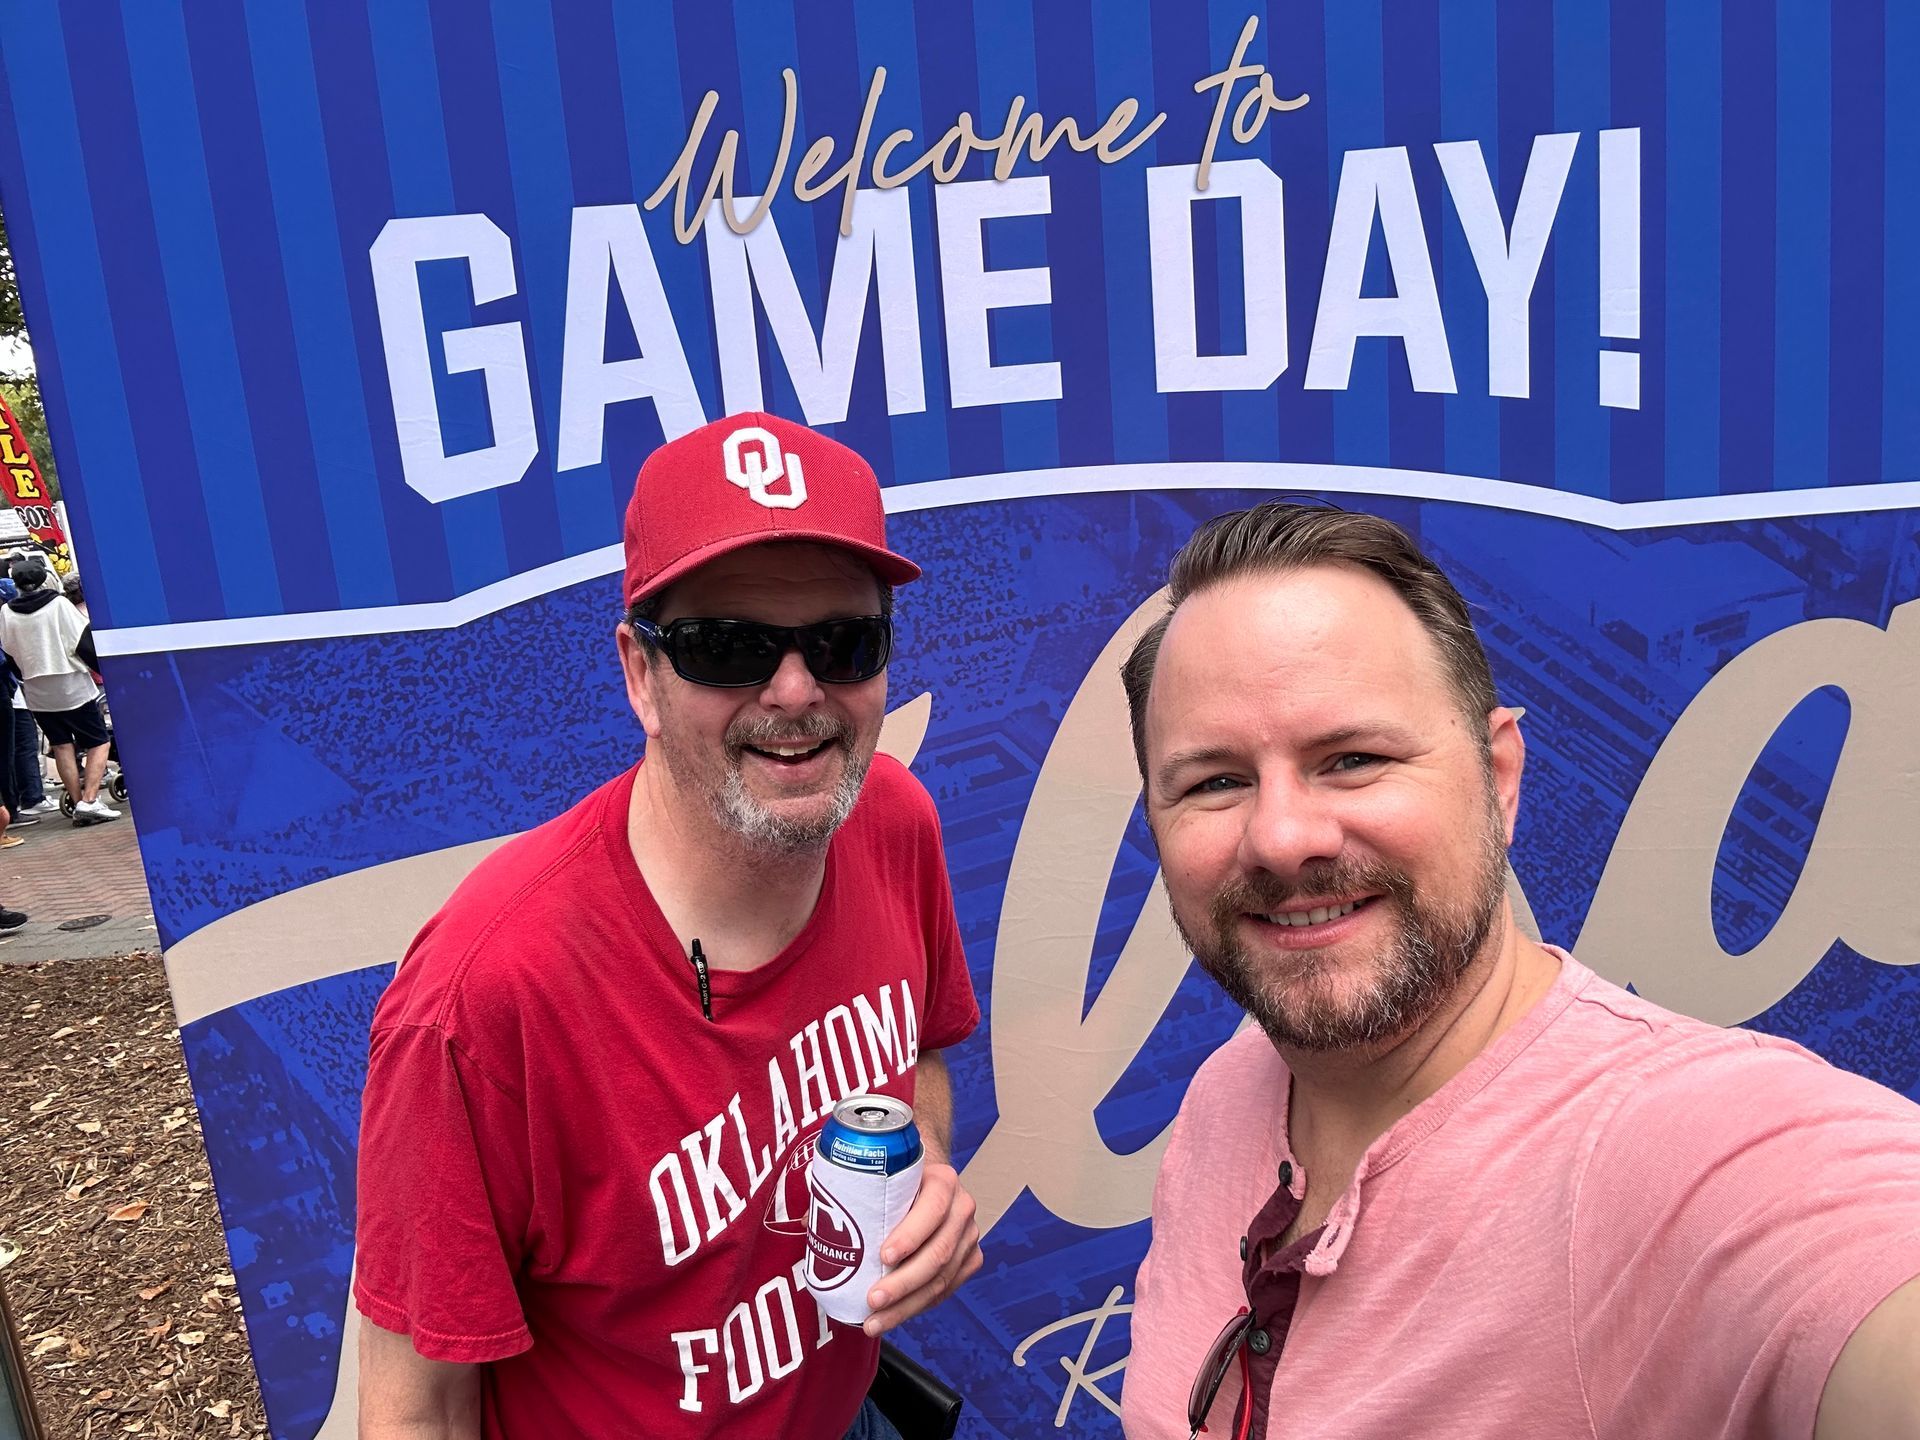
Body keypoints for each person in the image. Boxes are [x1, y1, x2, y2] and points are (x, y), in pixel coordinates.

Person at [1117, 502, 1920, 1440]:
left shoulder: (1669, 1153)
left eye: (1354, 759)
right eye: (1214, 781)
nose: (1284, 838)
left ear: (1499, 779)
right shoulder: (1228, 1092)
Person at [353, 413, 982, 1440]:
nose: (795, 691)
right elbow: (415, 1412)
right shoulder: (478, 1000)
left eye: (843, 642)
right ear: (640, 674)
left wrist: (928, 1178)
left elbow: (920, 1060)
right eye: (725, 647)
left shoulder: (894, 820)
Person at [0, 557, 118, 825]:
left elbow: (7, 651)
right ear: (43, 579)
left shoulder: (6, 613)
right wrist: (101, 669)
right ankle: (89, 800)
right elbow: (81, 641)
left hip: (36, 688)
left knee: (62, 745)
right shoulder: (58, 604)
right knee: (99, 741)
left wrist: (24, 676)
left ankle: (78, 803)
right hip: (70, 683)